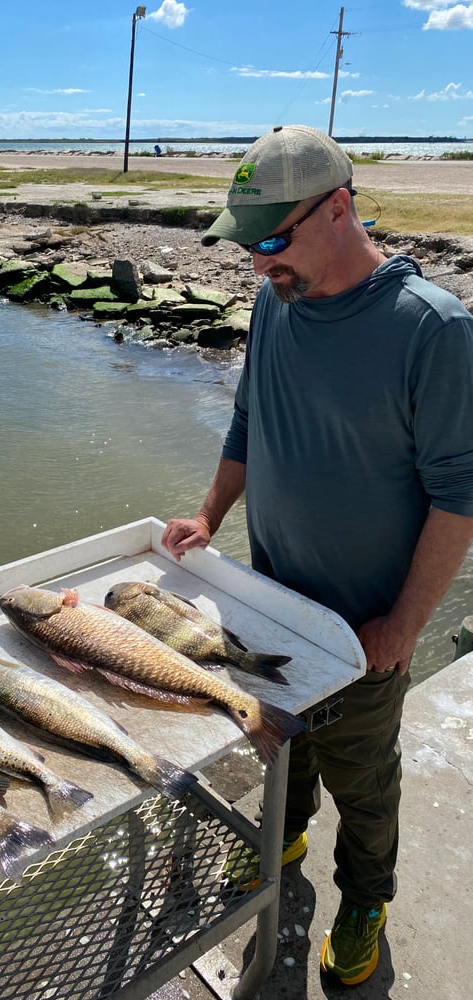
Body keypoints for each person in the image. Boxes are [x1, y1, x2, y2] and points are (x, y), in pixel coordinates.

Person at [162, 124, 473, 986]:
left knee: (365, 784)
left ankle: (367, 899)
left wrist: (404, 624)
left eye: (272, 241)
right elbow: (251, 420)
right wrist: (208, 514)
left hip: (364, 633)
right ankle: (280, 840)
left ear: (338, 209)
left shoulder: (434, 332)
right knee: (279, 749)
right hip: (268, 605)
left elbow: (460, 494)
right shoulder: (278, 301)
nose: (259, 266)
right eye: (248, 245)